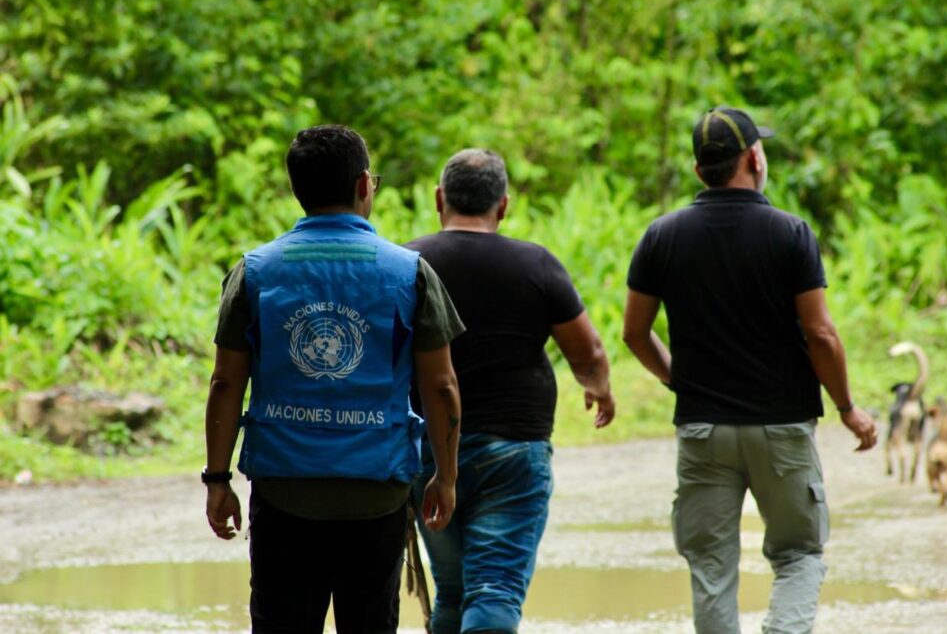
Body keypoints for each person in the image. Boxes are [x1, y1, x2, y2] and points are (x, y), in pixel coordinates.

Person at [623, 108, 877, 634]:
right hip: (782, 427)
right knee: (799, 554)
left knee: (711, 569)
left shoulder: (662, 235)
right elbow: (821, 334)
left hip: (703, 430)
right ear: (755, 159)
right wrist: (847, 408)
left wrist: (676, 380)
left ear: (699, 170)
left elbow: (634, 332)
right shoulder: (790, 233)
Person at [202, 124, 465, 634]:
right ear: (364, 185)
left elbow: (225, 385)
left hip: (284, 492)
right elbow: (441, 387)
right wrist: (447, 476)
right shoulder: (410, 273)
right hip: (377, 493)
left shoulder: (254, 271)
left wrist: (218, 480)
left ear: (296, 187)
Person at [406, 148, 616, 634]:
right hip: (513, 451)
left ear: (439, 199)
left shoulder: (409, 264)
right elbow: (588, 352)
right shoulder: (535, 264)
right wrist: (599, 388)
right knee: (494, 588)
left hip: (428, 451)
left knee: (452, 590)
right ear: (503, 205)